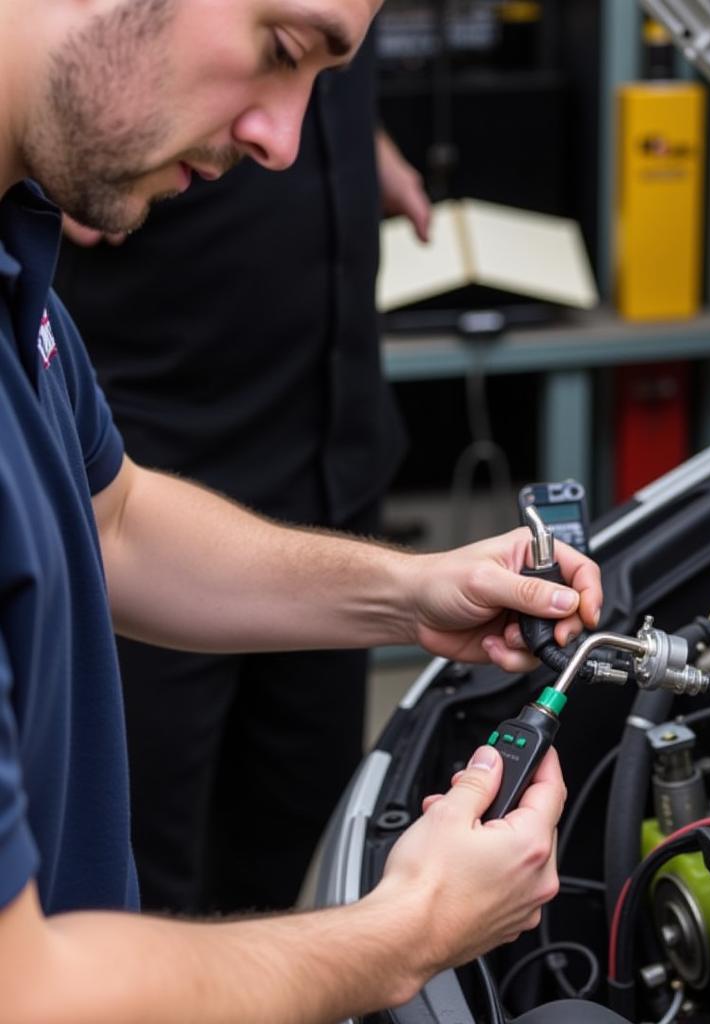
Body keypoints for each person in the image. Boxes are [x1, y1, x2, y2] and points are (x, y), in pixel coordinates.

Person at [0, 0, 603, 1019]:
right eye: (279, 51)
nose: (283, 142)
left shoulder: (21, 267)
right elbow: (28, 992)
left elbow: (115, 520)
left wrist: (409, 592)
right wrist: (410, 929)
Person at [55, 26, 431, 914]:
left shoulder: (302, 102)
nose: (280, 135)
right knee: (139, 876)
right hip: (146, 474)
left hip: (327, 458)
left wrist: (358, 140)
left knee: (292, 831)